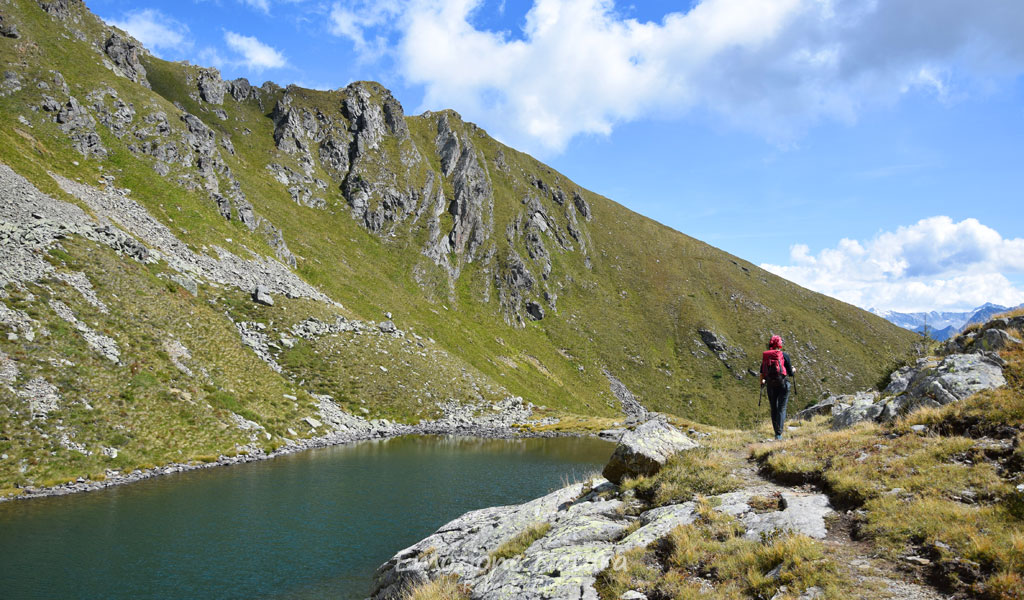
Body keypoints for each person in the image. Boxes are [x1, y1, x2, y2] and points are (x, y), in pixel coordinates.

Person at [760, 335, 795, 440]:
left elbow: (762, 372)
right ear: (779, 344)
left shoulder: (766, 357)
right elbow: (790, 373)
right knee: (781, 408)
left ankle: (776, 432)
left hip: (770, 385)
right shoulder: (784, 355)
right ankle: (779, 434)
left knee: (773, 408)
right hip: (783, 384)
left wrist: (762, 383)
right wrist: (793, 370)